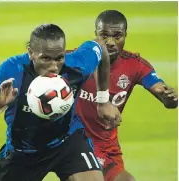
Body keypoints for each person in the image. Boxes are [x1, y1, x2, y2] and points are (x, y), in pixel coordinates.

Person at [0, 24, 121, 181]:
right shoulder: (14, 70)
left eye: (59, 58)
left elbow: (100, 46)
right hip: (23, 152)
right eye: (45, 58)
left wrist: (102, 100)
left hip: (67, 142)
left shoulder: (76, 65)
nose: (54, 67)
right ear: (31, 53)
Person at [75, 10, 178, 181]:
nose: (110, 42)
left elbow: (164, 94)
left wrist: (169, 97)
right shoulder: (78, 59)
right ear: (95, 35)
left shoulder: (135, 65)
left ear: (125, 36)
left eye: (117, 36)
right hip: (75, 141)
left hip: (106, 145)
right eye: (104, 35)